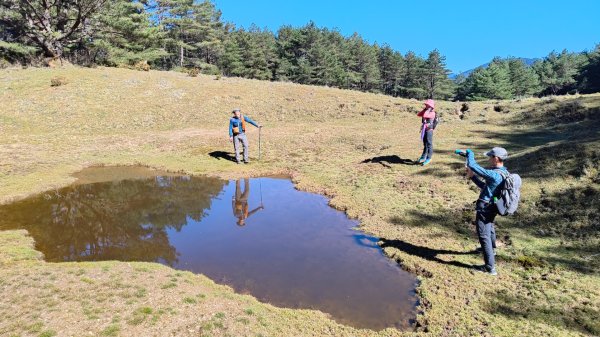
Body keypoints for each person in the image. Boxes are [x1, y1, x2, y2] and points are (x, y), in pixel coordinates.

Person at [462, 147, 509, 276]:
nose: (488, 159)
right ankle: (492, 250)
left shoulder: (494, 174)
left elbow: (473, 165)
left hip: (485, 208)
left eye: (490, 157)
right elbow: (486, 187)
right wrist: (473, 177)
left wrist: (469, 153)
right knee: (490, 227)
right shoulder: (504, 172)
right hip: (493, 206)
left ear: (496, 158)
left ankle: (489, 267)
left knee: (483, 235)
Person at [416, 99, 436, 166]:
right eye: (426, 105)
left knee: (429, 144)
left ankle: (429, 158)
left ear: (431, 106)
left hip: (429, 130)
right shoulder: (426, 111)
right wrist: (424, 109)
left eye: (427, 105)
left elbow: (425, 116)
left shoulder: (432, 113)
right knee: (425, 144)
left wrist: (427, 110)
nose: (426, 105)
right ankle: (423, 157)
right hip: (424, 130)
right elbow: (418, 114)